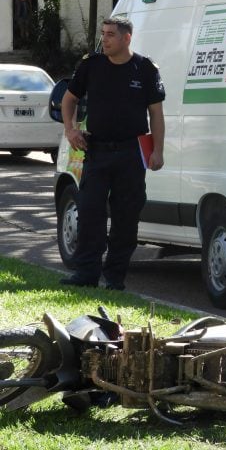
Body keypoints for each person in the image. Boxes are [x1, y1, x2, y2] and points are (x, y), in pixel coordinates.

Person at [59, 16, 166, 290]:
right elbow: (68, 99)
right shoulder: (91, 66)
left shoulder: (144, 69)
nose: (104, 39)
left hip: (132, 153)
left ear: (126, 38)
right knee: (90, 211)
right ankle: (86, 274)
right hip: (97, 151)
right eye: (103, 34)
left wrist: (158, 151)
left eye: (110, 35)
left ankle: (115, 277)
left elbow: (156, 114)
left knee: (126, 217)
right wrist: (70, 130)